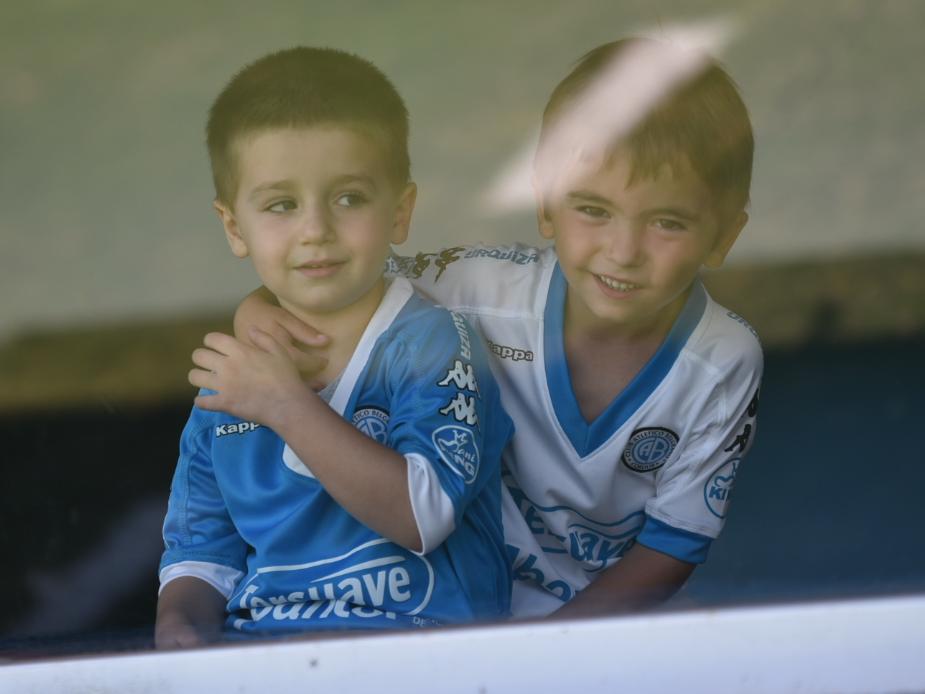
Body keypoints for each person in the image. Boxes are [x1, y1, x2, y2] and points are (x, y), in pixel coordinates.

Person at [234, 37, 763, 620]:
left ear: (724, 236)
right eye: (592, 209)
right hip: (442, 603)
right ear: (544, 203)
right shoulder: (476, 289)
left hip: (601, 625)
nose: (624, 250)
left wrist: (549, 651)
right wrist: (257, 310)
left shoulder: (723, 359)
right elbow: (335, 281)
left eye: (668, 222)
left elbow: (672, 547)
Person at [155, 47, 514, 648]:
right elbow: (200, 551)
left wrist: (286, 405)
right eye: (281, 205)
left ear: (400, 212)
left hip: (425, 656)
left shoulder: (432, 343)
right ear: (234, 228)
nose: (315, 228)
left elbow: (422, 516)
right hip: (263, 660)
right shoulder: (234, 378)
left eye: (348, 198)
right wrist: (179, 626)